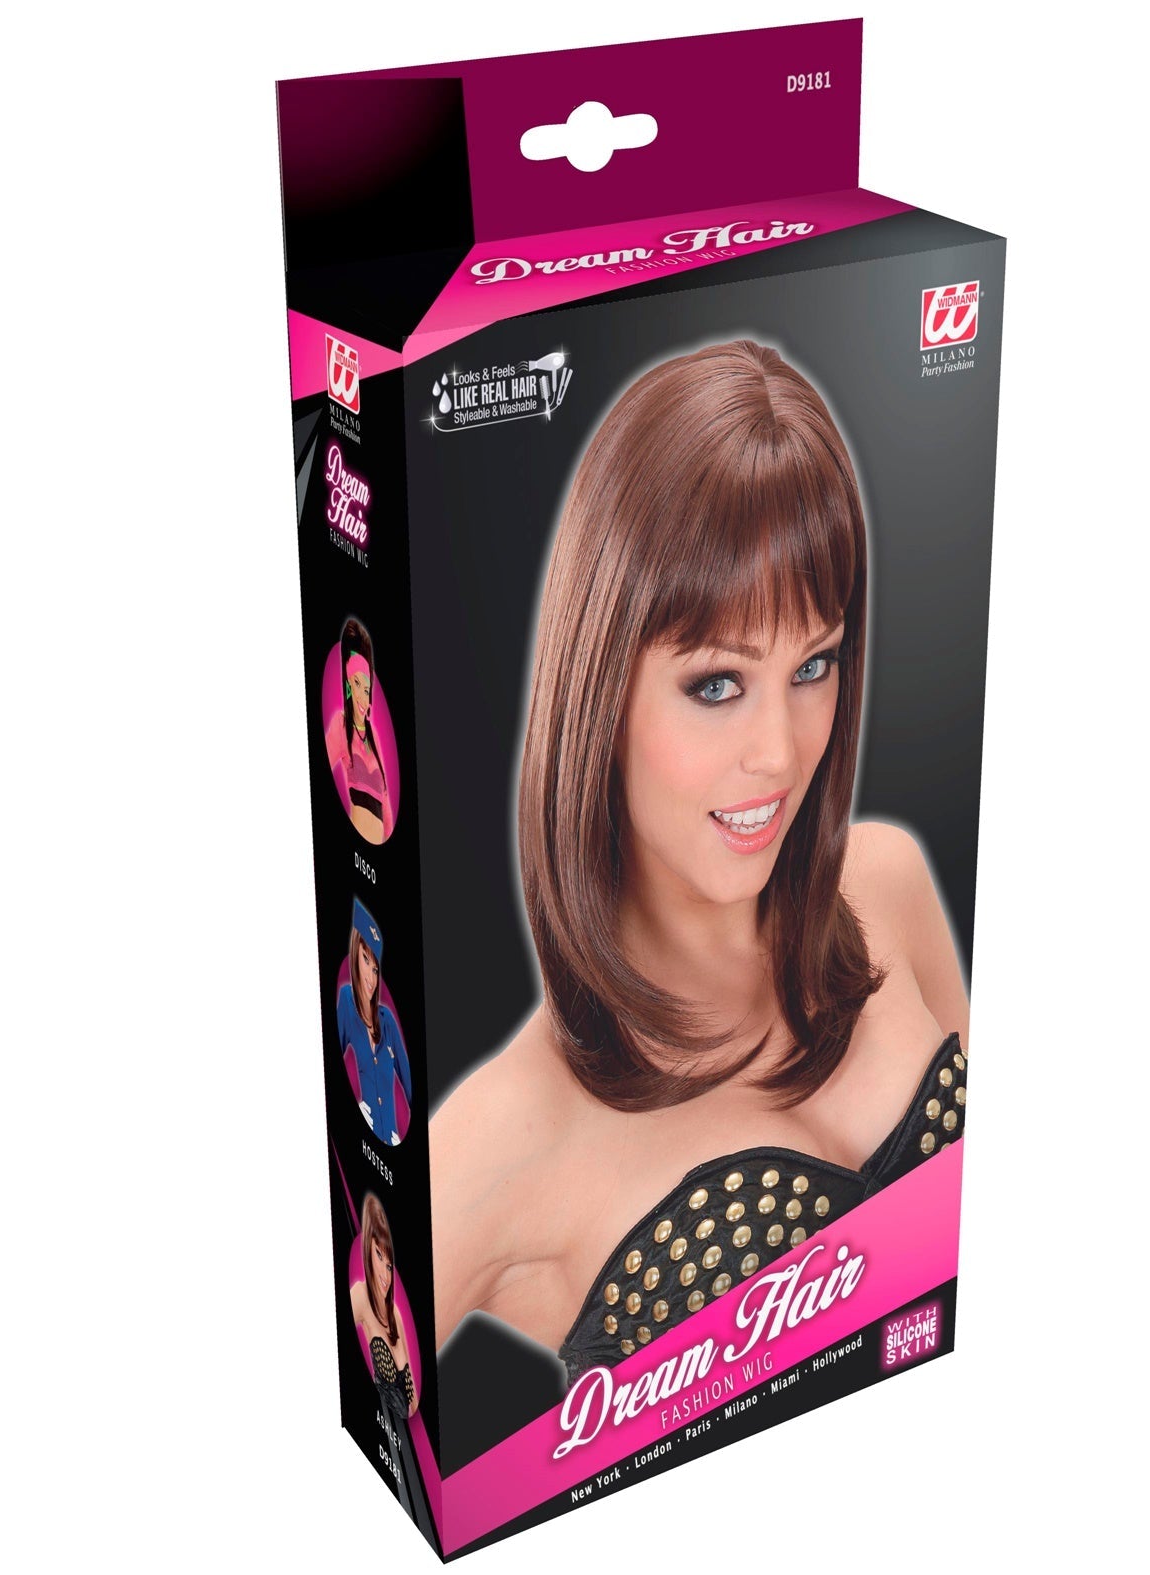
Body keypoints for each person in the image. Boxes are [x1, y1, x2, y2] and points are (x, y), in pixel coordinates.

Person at [429, 340, 970, 1384]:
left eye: (813, 665)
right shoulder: (512, 1133)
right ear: (601, 695)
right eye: (717, 683)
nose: (780, 753)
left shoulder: (888, 883)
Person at [350, 1194, 423, 1522]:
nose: (385, 1272)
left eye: (390, 1264)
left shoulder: (395, 1314)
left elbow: (413, 1399)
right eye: (378, 1255)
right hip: (384, 1430)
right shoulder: (359, 1297)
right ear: (367, 1249)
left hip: (406, 1431)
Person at [337, 899, 413, 1145]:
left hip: (390, 1140)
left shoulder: (386, 1020)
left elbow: (409, 1084)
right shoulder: (347, 1002)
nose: (371, 977)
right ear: (354, 956)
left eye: (376, 968)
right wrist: (354, 1107)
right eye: (365, 960)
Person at [325, 617, 394, 843]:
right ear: (347, 684)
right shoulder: (341, 725)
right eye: (357, 684)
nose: (364, 698)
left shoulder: (374, 738)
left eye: (367, 689)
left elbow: (386, 807)